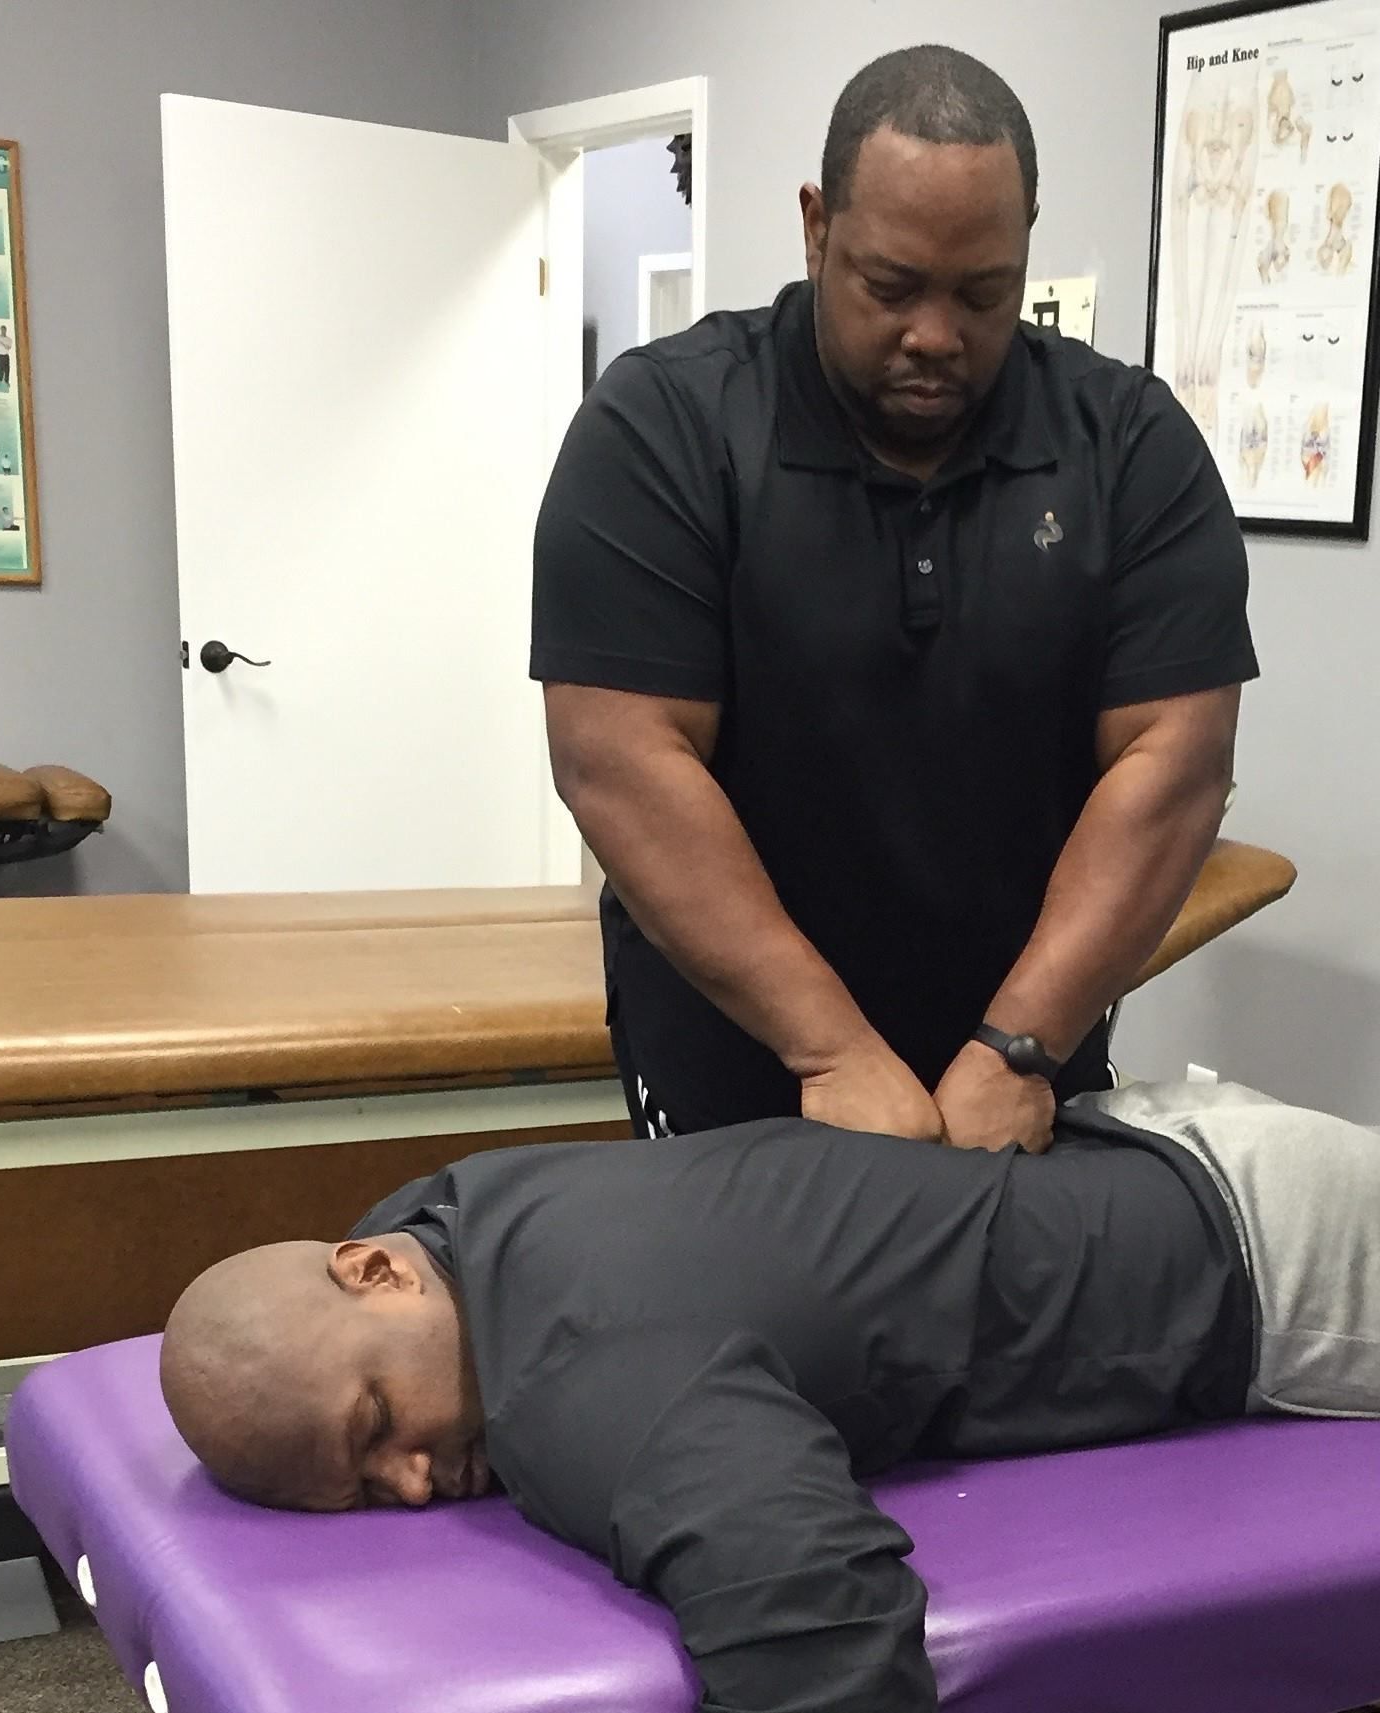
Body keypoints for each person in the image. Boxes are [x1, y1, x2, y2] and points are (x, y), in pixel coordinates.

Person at [163, 1080, 1380, 1713]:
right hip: (1180, 1137)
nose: (415, 1480)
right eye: (363, 1490)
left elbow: (825, 1622)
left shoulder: (576, 1378)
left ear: (370, 1274)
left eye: (376, 1435)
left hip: (1285, 1269)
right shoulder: (475, 1208)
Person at [531, 45, 1255, 1154]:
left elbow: (1174, 762)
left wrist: (1017, 1046)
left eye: (983, 293)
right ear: (817, 226)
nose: (935, 334)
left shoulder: (1131, 446)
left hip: (1028, 1068)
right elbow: (618, 760)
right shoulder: (663, 429)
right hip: (743, 1069)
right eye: (890, 286)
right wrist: (830, 1049)